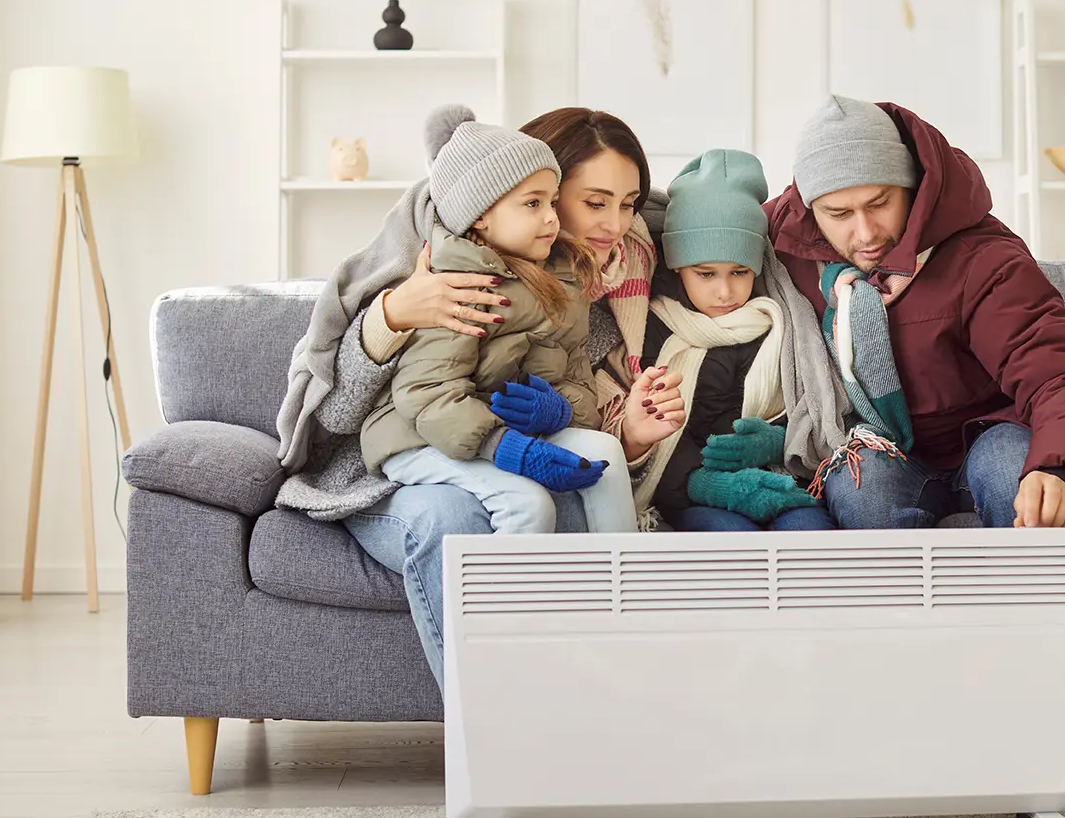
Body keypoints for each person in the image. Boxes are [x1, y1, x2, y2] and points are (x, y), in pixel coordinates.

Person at [275, 107, 691, 694]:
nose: (616, 225)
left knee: (582, 476)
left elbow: (576, 401)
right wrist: (391, 317)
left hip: (509, 449)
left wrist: (616, 432)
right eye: (593, 202)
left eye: (629, 205)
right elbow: (342, 415)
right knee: (459, 518)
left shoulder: (593, 280)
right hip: (400, 456)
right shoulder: (440, 264)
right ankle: (492, 720)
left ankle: (616, 672)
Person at [765, 95, 1065, 533]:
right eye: (839, 213)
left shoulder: (984, 258)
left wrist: (1060, 469)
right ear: (811, 211)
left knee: (1011, 475)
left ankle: (1024, 602)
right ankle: (896, 605)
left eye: (881, 203)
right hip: (880, 451)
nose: (864, 232)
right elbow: (701, 234)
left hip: (992, 435)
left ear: (913, 188)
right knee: (860, 485)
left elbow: (1060, 373)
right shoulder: (787, 248)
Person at [358, 106, 635, 535]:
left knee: (604, 453)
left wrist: (561, 410)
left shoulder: (564, 279)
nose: (551, 217)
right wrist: (504, 446)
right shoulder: (454, 284)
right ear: (481, 214)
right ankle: (513, 604)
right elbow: (426, 393)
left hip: (484, 427)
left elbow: (577, 378)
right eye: (533, 204)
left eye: (551, 201)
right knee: (527, 504)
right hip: (417, 436)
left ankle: (624, 590)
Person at [637, 149, 835, 532]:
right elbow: (648, 424)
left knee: (810, 532)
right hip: (689, 491)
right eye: (706, 274)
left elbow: (813, 401)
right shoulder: (654, 327)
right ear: (678, 268)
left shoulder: (782, 321)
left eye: (739, 272)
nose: (725, 291)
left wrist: (778, 441)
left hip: (778, 476)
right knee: (733, 541)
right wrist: (702, 482)